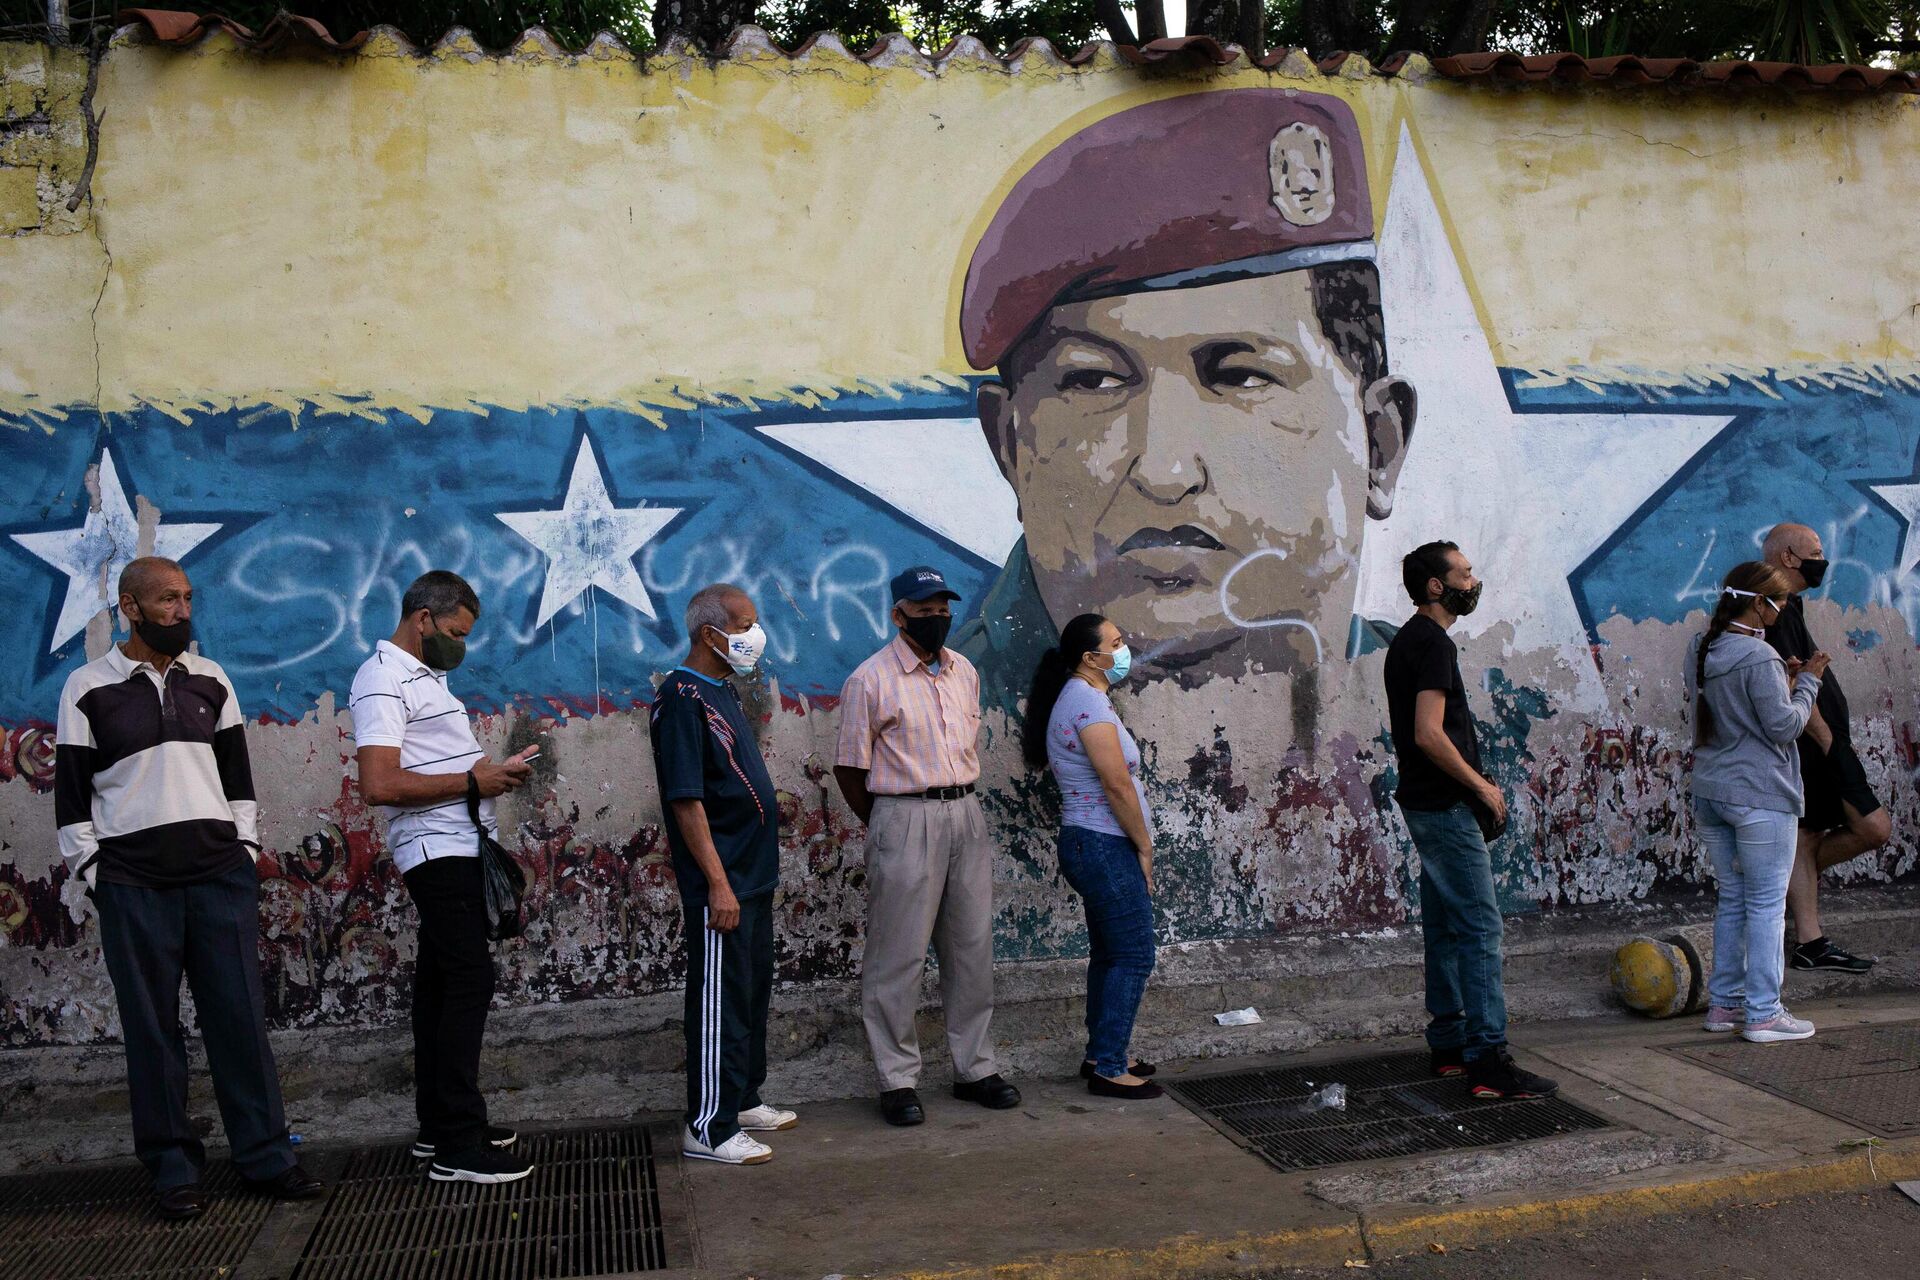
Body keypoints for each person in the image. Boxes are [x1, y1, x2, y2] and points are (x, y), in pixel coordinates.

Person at [954, 88, 1415, 706]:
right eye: (1093, 382)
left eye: (1243, 377)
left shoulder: (1487, 723)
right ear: (1010, 447)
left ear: (1379, 445)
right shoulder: (942, 727)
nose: (1166, 471)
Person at [54, 556, 322, 1220]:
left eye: (188, 598)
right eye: (168, 600)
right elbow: (71, 799)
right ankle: (173, 1169)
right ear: (130, 606)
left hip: (217, 880)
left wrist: (244, 851)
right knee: (152, 1033)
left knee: (240, 1023)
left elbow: (238, 780)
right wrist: (97, 875)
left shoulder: (211, 680)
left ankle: (266, 1158)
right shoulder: (87, 689)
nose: (183, 610)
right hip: (133, 887)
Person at [350, 570, 537, 1184]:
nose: (460, 645)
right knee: (467, 981)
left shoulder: (428, 679)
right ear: (423, 618)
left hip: (457, 843)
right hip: (435, 849)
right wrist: (470, 783)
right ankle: (460, 1144)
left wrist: (493, 772)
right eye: (455, 632)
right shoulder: (383, 678)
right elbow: (379, 784)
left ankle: (439, 1128)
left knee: (438, 984)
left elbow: (442, 764)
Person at [835, 565, 1020, 1126]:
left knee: (971, 949)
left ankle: (975, 1068)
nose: (937, 617)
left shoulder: (964, 671)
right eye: (925, 609)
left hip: (965, 812)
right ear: (899, 615)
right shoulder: (870, 680)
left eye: (943, 608)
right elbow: (849, 768)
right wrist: (890, 822)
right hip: (903, 814)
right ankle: (897, 1079)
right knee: (898, 955)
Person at [1384, 542, 1557, 1099]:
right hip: (1445, 807)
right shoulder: (1432, 644)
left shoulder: (1408, 640)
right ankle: (1488, 1060)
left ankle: (1450, 1045)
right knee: (1481, 929)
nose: (1472, 580)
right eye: (1464, 573)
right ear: (1436, 586)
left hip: (1423, 803)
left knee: (1445, 927)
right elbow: (1428, 733)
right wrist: (1482, 786)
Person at [649, 583, 796, 1165]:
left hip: (752, 875)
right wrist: (716, 881)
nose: (754, 635)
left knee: (750, 991)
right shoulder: (682, 699)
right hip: (724, 882)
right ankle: (708, 1126)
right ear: (712, 634)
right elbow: (686, 799)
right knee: (718, 1000)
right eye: (745, 624)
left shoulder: (721, 691)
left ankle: (742, 1098)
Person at [1024, 613, 1162, 1100]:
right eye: (1117, 643)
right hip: (1103, 843)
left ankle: (1102, 1052)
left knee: (1110, 953)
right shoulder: (1087, 703)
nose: (1125, 650)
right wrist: (1144, 846)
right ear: (1091, 658)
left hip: (1091, 842)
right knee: (1134, 954)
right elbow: (1117, 784)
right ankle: (1109, 1066)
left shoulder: (1083, 697)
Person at [1690, 561, 1828, 1043]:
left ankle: (1725, 1005)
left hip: (1712, 790)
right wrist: (1808, 681)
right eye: (1780, 601)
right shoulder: (1760, 655)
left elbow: (1738, 711)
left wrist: (1783, 682)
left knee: (1733, 899)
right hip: (1759, 795)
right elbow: (1784, 727)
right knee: (1767, 906)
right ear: (1757, 602)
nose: (1784, 609)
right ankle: (1765, 1013)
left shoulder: (1704, 648)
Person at [1761, 522, 1889, 973]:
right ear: (1788, 558)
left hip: (1828, 744)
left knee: (1869, 829)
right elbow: (1791, 686)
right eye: (1814, 551)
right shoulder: (1773, 612)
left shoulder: (1790, 606)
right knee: (1815, 832)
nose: (1822, 558)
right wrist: (1827, 740)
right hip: (1814, 747)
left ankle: (1796, 887)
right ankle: (1810, 941)